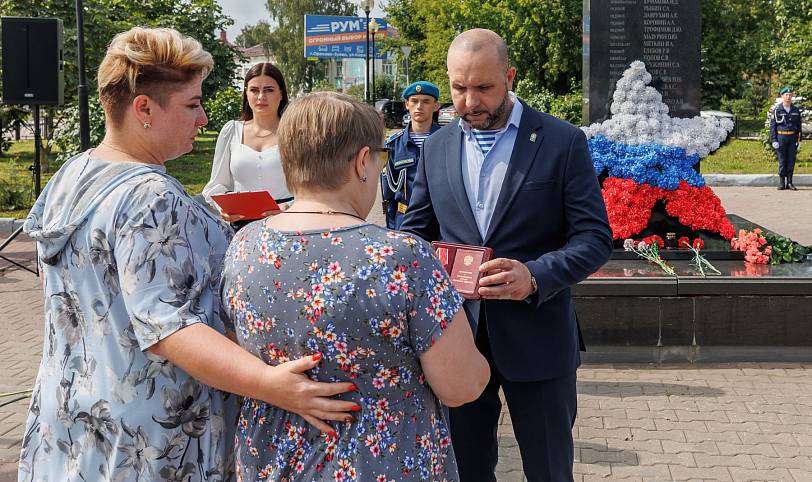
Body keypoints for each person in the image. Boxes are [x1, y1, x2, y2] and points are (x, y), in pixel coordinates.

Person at [18, 27, 356, 482]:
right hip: (153, 438)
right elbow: (170, 328)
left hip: (74, 416)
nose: (202, 120)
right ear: (144, 109)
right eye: (192, 104)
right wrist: (273, 386)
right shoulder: (152, 197)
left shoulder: (72, 173)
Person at [220, 91, 490, 481]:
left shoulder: (244, 245)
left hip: (271, 461)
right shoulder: (401, 258)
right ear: (363, 162)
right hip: (382, 465)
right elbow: (461, 385)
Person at [400, 29, 613, 482]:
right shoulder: (436, 147)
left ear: (510, 77)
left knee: (549, 470)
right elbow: (414, 233)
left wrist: (534, 276)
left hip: (538, 341)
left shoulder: (561, 141)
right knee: (467, 469)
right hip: (456, 340)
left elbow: (594, 238)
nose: (470, 101)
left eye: (483, 87)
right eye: (459, 88)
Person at [203, 63, 293, 224]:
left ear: (281, 94)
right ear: (246, 93)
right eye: (254, 90)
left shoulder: (295, 133)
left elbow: (315, 187)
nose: (261, 97)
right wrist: (223, 208)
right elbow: (216, 185)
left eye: (269, 90)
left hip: (285, 223)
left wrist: (289, 207)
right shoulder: (232, 131)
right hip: (240, 227)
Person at [381, 81, 442, 229]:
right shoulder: (393, 145)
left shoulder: (448, 141)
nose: (419, 106)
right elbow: (388, 195)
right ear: (406, 105)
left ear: (436, 106)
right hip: (405, 219)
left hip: (440, 220)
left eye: (426, 102)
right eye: (414, 101)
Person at [770, 86, 803, 191]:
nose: (788, 97)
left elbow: (799, 127)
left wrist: (799, 140)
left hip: (793, 138)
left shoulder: (795, 110)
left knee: (791, 161)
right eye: (786, 95)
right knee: (782, 160)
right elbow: (773, 127)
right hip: (781, 137)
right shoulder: (777, 110)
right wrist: (774, 140)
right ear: (782, 96)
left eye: (790, 95)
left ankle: (790, 183)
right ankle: (781, 183)